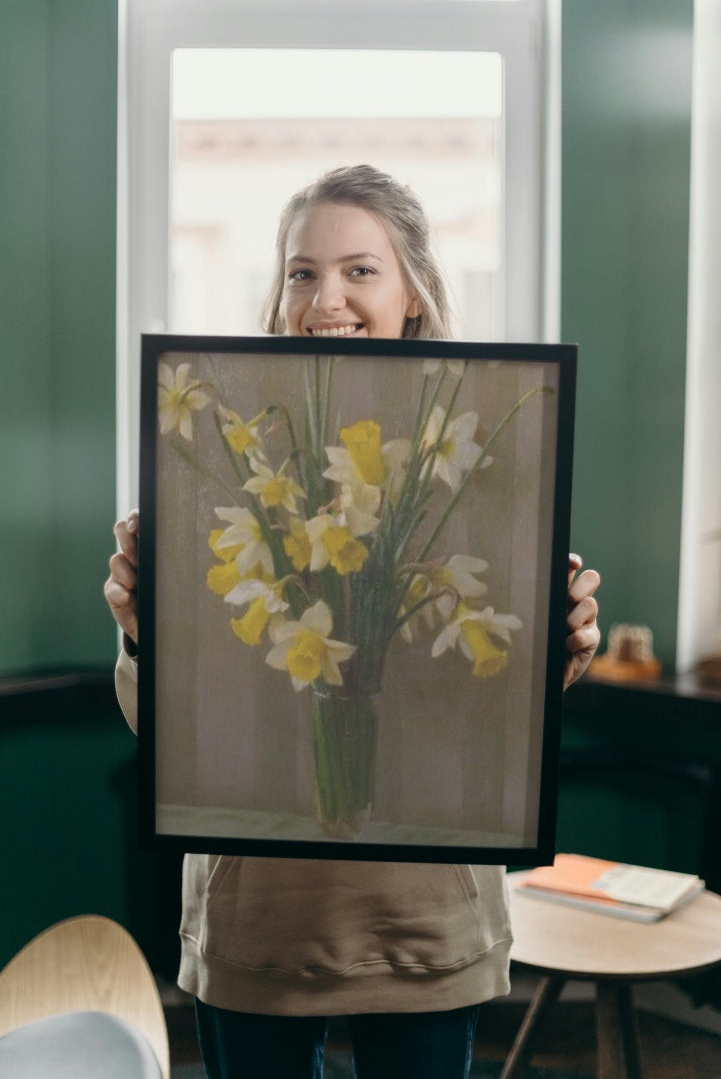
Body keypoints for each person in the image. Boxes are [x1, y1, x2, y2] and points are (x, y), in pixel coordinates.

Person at [105, 165, 601, 1079]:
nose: (324, 297)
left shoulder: (482, 456)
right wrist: (145, 635)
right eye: (301, 272)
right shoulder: (221, 456)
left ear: (413, 292)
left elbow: (481, 706)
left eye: (359, 270)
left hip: (422, 918)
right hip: (258, 919)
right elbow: (173, 729)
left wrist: (557, 649)